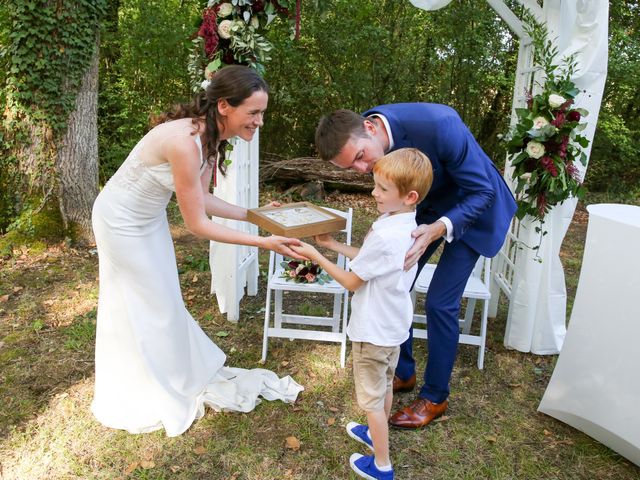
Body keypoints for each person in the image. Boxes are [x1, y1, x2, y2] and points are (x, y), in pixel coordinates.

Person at [91, 65, 303, 437]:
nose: (260, 121)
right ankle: (145, 383)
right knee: (151, 301)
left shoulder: (211, 139)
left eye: (262, 112)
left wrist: (256, 217)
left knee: (165, 298)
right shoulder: (183, 142)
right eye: (253, 112)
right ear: (224, 105)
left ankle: (169, 369)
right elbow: (197, 224)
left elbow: (204, 199)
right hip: (119, 222)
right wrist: (263, 242)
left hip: (149, 219)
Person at [315, 104, 517, 430]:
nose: (363, 168)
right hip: (420, 210)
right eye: (352, 167)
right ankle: (404, 371)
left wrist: (438, 228)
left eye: (362, 157)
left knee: (440, 302)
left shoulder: (440, 124)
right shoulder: (362, 133)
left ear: (370, 127)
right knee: (396, 283)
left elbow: (483, 191)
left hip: (474, 209)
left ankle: (436, 396)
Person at [291, 148, 433, 480]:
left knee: (371, 402)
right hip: (393, 327)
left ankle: (382, 465)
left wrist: (315, 254)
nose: (374, 193)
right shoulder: (404, 223)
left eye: (383, 189)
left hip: (372, 332)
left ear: (409, 196)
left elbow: (353, 281)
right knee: (384, 387)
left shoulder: (386, 233)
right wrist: (332, 245)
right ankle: (374, 433)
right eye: (376, 185)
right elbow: (370, 259)